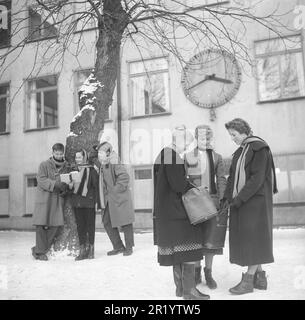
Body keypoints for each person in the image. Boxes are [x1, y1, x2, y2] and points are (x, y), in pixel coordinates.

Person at [153, 125, 210, 300]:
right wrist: (196, 188)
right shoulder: (173, 157)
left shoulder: (162, 155)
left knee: (178, 250)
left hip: (166, 211)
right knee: (190, 246)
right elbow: (178, 185)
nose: (187, 148)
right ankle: (189, 291)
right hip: (176, 211)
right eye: (187, 143)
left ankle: (181, 289)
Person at [223, 118, 278, 295]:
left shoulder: (258, 148)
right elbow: (232, 176)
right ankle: (260, 278)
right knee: (252, 238)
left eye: (234, 134)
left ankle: (248, 280)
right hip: (245, 201)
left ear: (244, 132)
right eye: (230, 135)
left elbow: (257, 178)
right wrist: (226, 197)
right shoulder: (241, 151)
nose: (232, 138)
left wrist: (238, 199)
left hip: (256, 202)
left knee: (253, 238)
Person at [185, 125, 227, 289]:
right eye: (202, 137)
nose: (205, 140)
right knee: (196, 239)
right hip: (195, 204)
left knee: (211, 239)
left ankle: (208, 272)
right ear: (196, 137)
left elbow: (221, 178)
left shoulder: (217, 157)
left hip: (212, 201)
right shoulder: (188, 157)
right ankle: (196, 271)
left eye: (208, 137)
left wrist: (223, 198)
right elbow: (184, 179)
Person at [95, 141, 135, 256]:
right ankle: (118, 246)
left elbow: (124, 177)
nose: (99, 155)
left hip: (119, 197)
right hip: (109, 199)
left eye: (101, 152)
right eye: (99, 152)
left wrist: (115, 190)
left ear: (108, 153)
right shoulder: (104, 163)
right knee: (107, 221)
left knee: (126, 222)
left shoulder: (114, 161)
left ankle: (129, 247)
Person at [31, 143, 70, 261]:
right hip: (45, 199)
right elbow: (41, 180)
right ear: (52, 153)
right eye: (56, 153)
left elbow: (68, 181)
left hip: (58, 200)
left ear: (63, 153)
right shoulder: (44, 165)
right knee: (41, 226)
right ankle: (41, 252)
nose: (58, 156)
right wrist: (55, 185)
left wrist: (65, 190)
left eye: (60, 153)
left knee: (56, 226)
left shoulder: (66, 166)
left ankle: (38, 249)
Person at [69, 149, 99, 260]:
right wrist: (70, 185)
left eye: (79, 157)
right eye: (76, 158)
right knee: (80, 227)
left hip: (89, 202)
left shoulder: (91, 170)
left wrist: (96, 201)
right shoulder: (73, 171)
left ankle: (91, 250)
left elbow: (96, 186)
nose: (77, 160)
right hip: (77, 202)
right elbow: (69, 189)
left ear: (84, 158)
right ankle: (82, 250)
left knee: (90, 227)